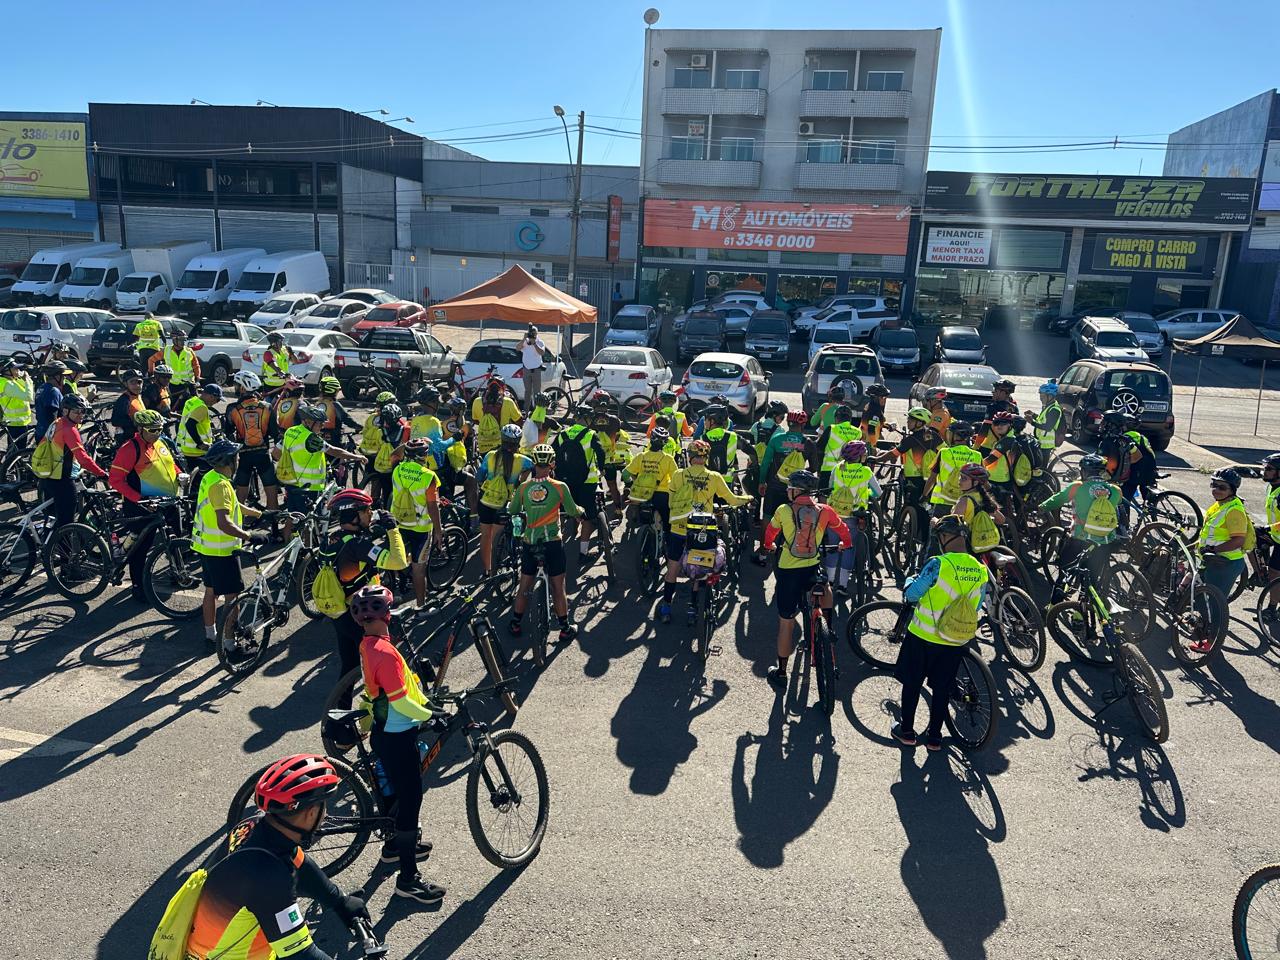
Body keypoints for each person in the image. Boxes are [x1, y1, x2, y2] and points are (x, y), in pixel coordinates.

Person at [187, 753, 372, 958]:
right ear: (311, 812)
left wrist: (339, 901)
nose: (325, 815)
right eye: (324, 807)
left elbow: (300, 862)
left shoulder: (255, 826)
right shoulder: (270, 877)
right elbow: (301, 953)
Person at [350, 586, 446, 903]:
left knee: (393, 794)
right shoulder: (386, 653)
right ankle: (408, 880)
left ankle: (394, 847)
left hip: (383, 732)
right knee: (410, 802)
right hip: (396, 734)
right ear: (386, 615)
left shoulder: (368, 644)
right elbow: (401, 702)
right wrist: (430, 716)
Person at [891, 515, 989, 751]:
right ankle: (935, 738)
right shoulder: (980, 569)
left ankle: (907, 732)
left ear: (945, 538)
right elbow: (977, 605)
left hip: (924, 635)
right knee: (942, 688)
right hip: (955, 640)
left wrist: (909, 582)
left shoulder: (938, 564)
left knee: (913, 684)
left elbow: (913, 595)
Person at [762, 469, 851, 686]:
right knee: (825, 588)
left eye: (789, 487)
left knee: (786, 623)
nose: (787, 490)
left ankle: (781, 673)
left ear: (795, 490)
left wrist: (768, 546)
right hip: (812, 566)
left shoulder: (784, 510)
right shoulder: (825, 510)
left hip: (788, 571)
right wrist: (844, 545)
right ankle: (827, 627)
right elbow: (844, 531)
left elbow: (770, 534)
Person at [327, 487, 409, 706]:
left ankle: (340, 726)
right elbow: (398, 562)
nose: (371, 514)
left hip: (340, 613)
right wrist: (393, 529)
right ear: (354, 515)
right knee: (380, 669)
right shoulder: (357, 545)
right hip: (364, 616)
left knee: (349, 667)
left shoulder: (332, 538)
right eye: (367, 510)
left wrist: (372, 530)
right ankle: (383, 715)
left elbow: (354, 550)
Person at [660, 438, 751, 624]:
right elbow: (732, 500)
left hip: (679, 529)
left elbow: (670, 503)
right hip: (703, 529)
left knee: (672, 569)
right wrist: (748, 498)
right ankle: (694, 609)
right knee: (700, 571)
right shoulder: (714, 477)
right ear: (706, 457)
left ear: (690, 456)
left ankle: (666, 607)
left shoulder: (678, 475)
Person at [193, 438, 268, 647]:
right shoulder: (221, 486)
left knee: (210, 591)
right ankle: (229, 643)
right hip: (223, 550)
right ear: (229, 461)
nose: (238, 459)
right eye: (236, 457)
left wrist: (262, 513)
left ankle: (210, 635)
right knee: (233, 597)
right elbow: (224, 522)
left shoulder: (211, 478)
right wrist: (249, 536)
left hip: (206, 547)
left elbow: (234, 505)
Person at [508, 444, 582, 641]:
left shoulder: (524, 488)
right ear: (552, 464)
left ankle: (515, 623)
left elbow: (513, 510)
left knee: (525, 584)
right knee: (559, 586)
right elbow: (573, 510)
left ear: (534, 463)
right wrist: (580, 512)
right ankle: (565, 627)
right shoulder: (559, 487)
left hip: (530, 541)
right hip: (552, 542)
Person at [109, 408, 183, 603]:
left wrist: (180, 473)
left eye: (159, 429)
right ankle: (138, 587)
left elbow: (169, 464)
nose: (157, 433)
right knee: (141, 548)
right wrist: (139, 498)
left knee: (174, 540)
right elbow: (115, 480)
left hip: (167, 501)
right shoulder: (129, 449)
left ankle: (178, 574)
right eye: (152, 430)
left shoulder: (160, 443)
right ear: (140, 429)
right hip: (142, 505)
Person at [1037, 453, 1123, 598]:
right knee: (1091, 581)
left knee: (1065, 572)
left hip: (1081, 538)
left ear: (1084, 471)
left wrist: (1042, 507)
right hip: (1105, 540)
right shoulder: (1116, 490)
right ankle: (1081, 615)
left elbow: (1057, 499)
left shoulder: (1077, 487)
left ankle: (1054, 606)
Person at [278, 404, 367, 537]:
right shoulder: (311, 438)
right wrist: (357, 457)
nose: (322, 426)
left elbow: (276, 452)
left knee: (293, 517)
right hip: (308, 487)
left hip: (291, 482)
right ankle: (306, 551)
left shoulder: (292, 431)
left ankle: (289, 547)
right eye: (319, 423)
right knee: (308, 522)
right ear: (308, 422)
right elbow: (334, 451)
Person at [40, 393, 109, 529]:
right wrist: (102, 474)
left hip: (48, 476)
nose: (81, 415)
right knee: (67, 523)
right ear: (65, 411)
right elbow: (83, 459)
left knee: (53, 519)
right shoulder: (70, 430)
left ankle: (47, 546)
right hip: (62, 480)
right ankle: (63, 550)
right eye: (76, 411)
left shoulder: (57, 422)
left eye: (83, 411)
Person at [390, 437, 443, 612]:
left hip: (399, 522)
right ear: (424, 455)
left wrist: (406, 445)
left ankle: (398, 587)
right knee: (419, 569)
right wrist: (438, 530)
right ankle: (421, 608)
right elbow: (432, 506)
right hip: (420, 528)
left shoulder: (397, 469)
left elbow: (393, 454)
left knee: (398, 557)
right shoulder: (428, 476)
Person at [475, 423, 533, 575]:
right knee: (497, 537)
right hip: (504, 503)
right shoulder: (522, 460)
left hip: (485, 500)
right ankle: (498, 567)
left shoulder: (490, 456)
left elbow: (479, 476)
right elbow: (536, 467)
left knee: (486, 537)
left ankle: (487, 570)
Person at [824, 439, 880, 593]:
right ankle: (842, 585)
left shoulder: (836, 468)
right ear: (860, 456)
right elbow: (878, 492)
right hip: (854, 516)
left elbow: (830, 487)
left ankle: (828, 581)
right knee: (849, 548)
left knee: (833, 548)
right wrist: (867, 493)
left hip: (834, 514)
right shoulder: (866, 472)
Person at [757, 410, 812, 563]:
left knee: (767, 519)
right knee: (796, 521)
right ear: (804, 424)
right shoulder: (808, 443)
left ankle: (762, 554)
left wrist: (762, 482)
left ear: (788, 423)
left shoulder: (776, 439)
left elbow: (765, 464)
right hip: (796, 490)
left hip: (774, 486)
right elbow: (814, 468)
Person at [553, 403, 607, 558]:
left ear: (575, 418)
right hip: (587, 482)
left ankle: (559, 545)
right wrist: (601, 468)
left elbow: (553, 452)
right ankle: (583, 552)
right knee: (588, 517)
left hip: (565, 481)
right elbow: (601, 453)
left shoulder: (562, 434)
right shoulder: (590, 434)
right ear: (589, 419)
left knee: (565, 510)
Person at [225, 371, 280, 512]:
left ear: (243, 388)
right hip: (263, 454)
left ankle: (238, 523)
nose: (236, 388)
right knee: (271, 492)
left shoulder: (232, 409)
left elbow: (228, 434)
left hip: (244, 456)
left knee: (240, 495)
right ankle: (273, 523)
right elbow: (275, 434)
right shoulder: (267, 408)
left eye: (237, 385)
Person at [1197, 466, 1250, 603]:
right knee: (1201, 599)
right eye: (1214, 485)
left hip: (1225, 563)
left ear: (1232, 490)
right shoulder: (1220, 504)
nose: (1216, 490)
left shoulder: (1234, 511)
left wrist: (1213, 549)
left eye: (1222, 487)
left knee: (1213, 605)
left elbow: (1238, 540)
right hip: (1212, 559)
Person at [623, 427, 678, 533]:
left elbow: (625, 474)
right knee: (667, 522)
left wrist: (631, 483)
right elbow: (676, 479)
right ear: (665, 443)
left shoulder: (641, 456)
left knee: (643, 519)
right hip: (662, 494)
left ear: (650, 440)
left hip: (642, 494)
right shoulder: (668, 459)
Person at [926, 420, 982, 517]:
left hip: (944, 502)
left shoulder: (944, 452)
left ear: (954, 436)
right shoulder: (977, 455)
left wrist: (924, 495)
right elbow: (982, 480)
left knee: (936, 528)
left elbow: (932, 477)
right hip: (967, 502)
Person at [892, 407, 943, 508]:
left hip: (913, 478)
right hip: (931, 477)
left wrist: (876, 459)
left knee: (911, 505)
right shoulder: (934, 435)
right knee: (927, 504)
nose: (907, 422)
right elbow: (944, 450)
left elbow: (894, 453)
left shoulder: (910, 440)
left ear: (919, 423)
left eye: (910, 420)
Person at [951, 463, 1005, 555]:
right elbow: (1001, 520)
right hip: (990, 543)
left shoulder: (964, 501)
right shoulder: (985, 498)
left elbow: (952, 526)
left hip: (971, 546)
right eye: (960, 477)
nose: (960, 480)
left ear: (975, 482)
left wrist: (936, 522)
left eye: (964, 478)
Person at [179, 382, 223, 485]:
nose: (216, 402)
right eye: (217, 399)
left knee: (193, 478)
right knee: (204, 479)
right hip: (197, 450)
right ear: (211, 396)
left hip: (187, 448)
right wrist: (200, 443)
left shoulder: (191, 401)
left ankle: (192, 496)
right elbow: (190, 424)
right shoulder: (202, 408)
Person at [471, 377, 523, 458]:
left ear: (488, 387)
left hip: (483, 446)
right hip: (502, 445)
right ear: (503, 388)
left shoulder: (477, 401)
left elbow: (475, 420)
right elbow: (519, 421)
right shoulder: (508, 402)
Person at [812, 403, 862, 485]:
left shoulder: (831, 429)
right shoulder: (858, 432)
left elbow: (819, 447)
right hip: (849, 471)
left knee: (823, 495)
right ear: (850, 419)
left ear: (836, 418)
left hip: (828, 469)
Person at [153, 327, 200, 407]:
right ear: (174, 340)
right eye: (181, 340)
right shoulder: (166, 350)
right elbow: (151, 360)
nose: (183, 342)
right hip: (173, 384)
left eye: (184, 340)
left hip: (188, 383)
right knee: (174, 406)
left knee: (195, 405)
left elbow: (196, 366)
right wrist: (152, 373)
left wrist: (197, 379)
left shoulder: (189, 351)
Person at [597, 410, 630, 512]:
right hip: (609, 461)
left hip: (595, 461)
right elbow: (620, 436)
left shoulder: (592, 426)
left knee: (597, 484)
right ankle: (618, 509)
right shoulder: (614, 422)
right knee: (613, 486)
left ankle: (599, 507)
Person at [0, 357, 34, 449]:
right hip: (16, 422)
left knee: (14, 449)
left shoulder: (11, 381)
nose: (18, 370)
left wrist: (21, 377)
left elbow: (24, 388)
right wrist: (27, 379)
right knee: (17, 451)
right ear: (7, 370)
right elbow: (29, 397)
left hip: (17, 422)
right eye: (15, 368)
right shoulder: (8, 385)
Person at [316, 375, 358, 445]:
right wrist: (359, 427)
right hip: (333, 437)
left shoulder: (318, 403)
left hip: (319, 435)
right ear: (334, 390)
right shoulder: (334, 404)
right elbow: (346, 419)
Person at [109, 369, 147, 449]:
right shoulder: (124, 400)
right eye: (132, 382)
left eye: (139, 382)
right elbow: (115, 421)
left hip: (141, 436)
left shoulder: (138, 396)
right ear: (126, 384)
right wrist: (135, 423)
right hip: (128, 439)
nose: (137, 385)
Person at [1031, 380, 1066, 460]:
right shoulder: (1048, 406)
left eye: (1042, 396)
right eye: (1040, 396)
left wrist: (1032, 422)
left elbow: (1048, 427)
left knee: (1042, 469)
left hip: (1046, 444)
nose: (1041, 399)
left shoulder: (1054, 409)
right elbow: (1042, 420)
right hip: (1041, 441)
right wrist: (1033, 415)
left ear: (1050, 396)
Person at [702, 404, 739, 476]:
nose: (704, 422)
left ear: (712, 421)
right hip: (728, 478)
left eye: (705, 419)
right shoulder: (732, 436)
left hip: (709, 478)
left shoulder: (703, 438)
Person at [34, 362, 67, 441]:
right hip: (49, 435)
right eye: (63, 376)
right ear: (57, 377)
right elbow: (52, 417)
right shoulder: (53, 391)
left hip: (40, 430)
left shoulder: (42, 387)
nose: (65, 378)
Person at [519, 325, 547, 412]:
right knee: (527, 392)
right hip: (526, 370)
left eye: (534, 334)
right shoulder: (525, 342)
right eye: (531, 333)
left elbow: (541, 352)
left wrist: (534, 343)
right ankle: (526, 411)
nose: (532, 335)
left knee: (537, 393)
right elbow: (517, 348)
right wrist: (524, 339)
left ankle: (536, 411)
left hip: (536, 370)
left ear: (537, 334)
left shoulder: (540, 342)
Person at [860, 382, 891, 448]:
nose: (885, 399)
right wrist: (874, 446)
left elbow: (874, 423)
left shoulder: (870, 406)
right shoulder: (875, 412)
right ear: (876, 398)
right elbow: (871, 430)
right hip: (869, 443)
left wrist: (886, 425)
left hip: (864, 440)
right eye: (883, 397)